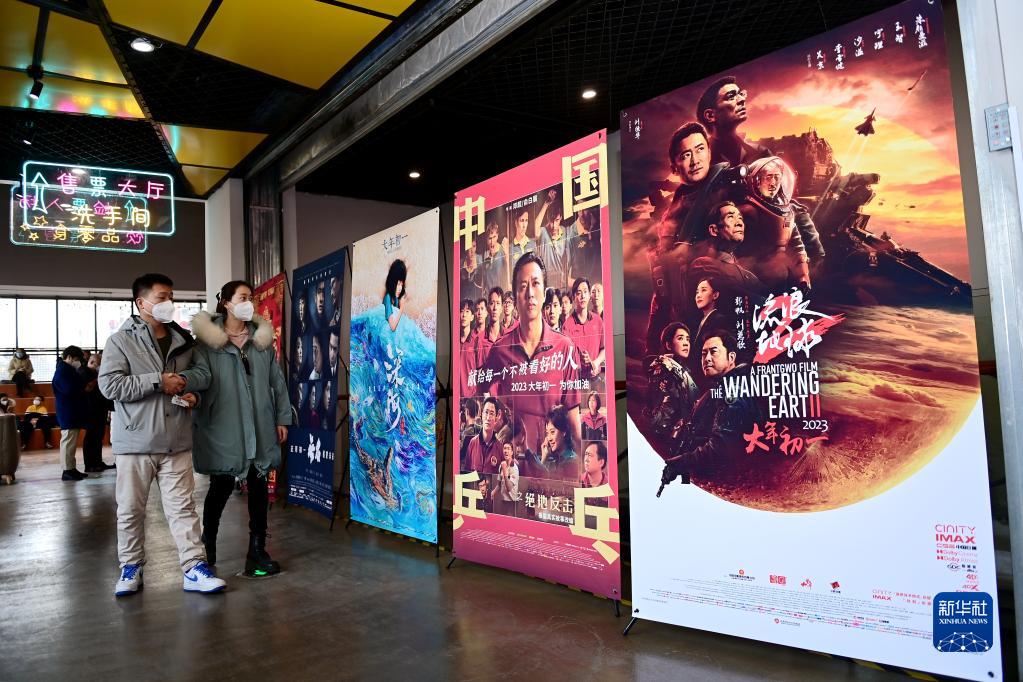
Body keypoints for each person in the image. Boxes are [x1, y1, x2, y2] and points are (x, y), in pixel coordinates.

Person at [98, 273, 224, 597]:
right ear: (141, 303)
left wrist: (188, 388)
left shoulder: (183, 340)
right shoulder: (120, 341)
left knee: (183, 509)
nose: (169, 302)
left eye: (171, 296)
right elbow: (110, 385)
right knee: (130, 510)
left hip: (176, 440)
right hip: (135, 442)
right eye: (162, 297)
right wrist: (157, 381)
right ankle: (131, 567)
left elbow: (203, 375)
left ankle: (194, 568)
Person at [182, 280, 292, 576]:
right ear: (226, 303)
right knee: (220, 487)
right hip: (223, 426)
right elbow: (200, 379)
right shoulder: (206, 345)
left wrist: (282, 418)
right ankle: (207, 547)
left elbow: (277, 382)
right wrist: (190, 393)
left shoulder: (261, 340)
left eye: (251, 298)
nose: (249, 303)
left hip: (260, 424)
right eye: (243, 297)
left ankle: (257, 551)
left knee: (259, 486)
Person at [478, 253, 582, 453]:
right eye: (523, 286)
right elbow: (480, 387)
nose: (530, 293)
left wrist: (579, 464)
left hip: (551, 465)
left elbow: (573, 421)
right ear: (515, 296)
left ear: (544, 293)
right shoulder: (500, 350)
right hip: (510, 462)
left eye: (535, 284)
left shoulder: (564, 348)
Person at [661, 331, 759, 487]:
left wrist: (680, 463)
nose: (706, 358)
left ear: (731, 357)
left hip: (723, 483)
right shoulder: (721, 388)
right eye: (703, 354)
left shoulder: (733, 391)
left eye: (713, 352)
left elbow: (721, 449)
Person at [696, 76, 771, 166]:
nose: (742, 99)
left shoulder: (761, 153)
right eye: (731, 96)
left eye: (741, 94)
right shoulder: (701, 163)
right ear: (710, 115)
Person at [646, 322, 699, 445]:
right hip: (663, 429)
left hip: (680, 428)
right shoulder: (662, 366)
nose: (686, 343)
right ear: (669, 345)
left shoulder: (684, 370)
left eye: (688, 339)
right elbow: (658, 400)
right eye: (680, 338)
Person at [52, 346, 90, 481]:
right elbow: (69, 389)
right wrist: (82, 386)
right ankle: (67, 470)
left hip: (71, 410)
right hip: (67, 411)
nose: (78, 362)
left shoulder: (68, 370)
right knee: (68, 442)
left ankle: (71, 468)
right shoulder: (63, 371)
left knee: (71, 442)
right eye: (77, 359)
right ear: (69, 357)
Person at [561, 277, 605, 380]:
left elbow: (604, 348)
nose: (583, 296)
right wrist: (578, 359)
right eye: (578, 293)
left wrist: (596, 362)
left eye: (585, 292)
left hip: (596, 378)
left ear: (589, 295)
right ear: (573, 297)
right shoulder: (566, 326)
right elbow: (566, 359)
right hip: (577, 380)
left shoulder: (598, 320)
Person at [80, 352, 115, 473]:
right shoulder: (84, 372)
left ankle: (98, 462)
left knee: (98, 436)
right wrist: (99, 378)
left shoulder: (96, 373)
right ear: (92, 362)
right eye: (99, 364)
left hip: (100, 409)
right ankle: (89, 464)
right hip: (91, 409)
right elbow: (86, 388)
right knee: (91, 437)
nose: (101, 366)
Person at [534, 189, 572, 291]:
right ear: (547, 218)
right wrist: (546, 204)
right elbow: (535, 229)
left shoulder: (566, 232)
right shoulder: (543, 232)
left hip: (561, 285)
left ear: (561, 218)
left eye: (557, 220)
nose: (554, 226)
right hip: (546, 284)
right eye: (552, 221)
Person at [534, 405, 578, 481]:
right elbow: (537, 483)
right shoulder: (554, 461)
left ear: (563, 431)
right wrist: (544, 458)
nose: (549, 438)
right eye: (547, 433)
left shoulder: (572, 461)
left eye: (552, 432)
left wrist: (544, 460)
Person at [464, 396, 504, 474]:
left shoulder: (500, 448)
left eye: (492, 413)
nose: (488, 418)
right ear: (482, 415)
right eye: (486, 412)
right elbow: (466, 473)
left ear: (496, 418)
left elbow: (501, 478)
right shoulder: (472, 443)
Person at [480, 222, 509, 293]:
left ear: (498, 236)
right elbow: (484, 280)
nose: (492, 241)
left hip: (500, 294)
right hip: (488, 295)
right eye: (490, 238)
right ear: (486, 239)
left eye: (494, 237)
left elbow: (509, 271)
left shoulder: (503, 251)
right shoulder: (485, 255)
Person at [495, 441, 520, 515]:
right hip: (503, 500)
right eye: (504, 448)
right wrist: (493, 492)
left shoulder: (514, 468)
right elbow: (499, 484)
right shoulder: (501, 465)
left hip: (511, 502)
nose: (506, 451)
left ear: (512, 452)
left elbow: (509, 488)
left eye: (508, 449)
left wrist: (505, 471)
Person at [384, 259, 406, 332]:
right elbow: (392, 327)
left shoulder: (396, 297)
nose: (400, 288)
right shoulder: (388, 297)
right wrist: (402, 307)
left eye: (401, 285)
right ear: (392, 282)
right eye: (398, 284)